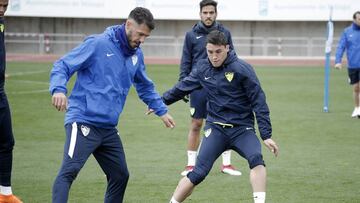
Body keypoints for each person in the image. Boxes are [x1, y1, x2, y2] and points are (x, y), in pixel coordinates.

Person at [49, 7, 175, 203]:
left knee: (120, 175)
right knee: (69, 171)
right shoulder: (98, 44)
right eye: (140, 34)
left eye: (146, 37)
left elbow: (144, 85)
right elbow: (63, 65)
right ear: (128, 25)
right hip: (83, 121)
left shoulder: (136, 55)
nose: (142, 40)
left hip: (107, 128)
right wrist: (58, 89)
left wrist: (161, 110)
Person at [163, 30, 279, 203]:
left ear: (227, 48)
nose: (214, 57)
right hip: (216, 129)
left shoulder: (242, 69)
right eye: (210, 52)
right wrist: (160, 102)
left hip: (242, 129)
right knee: (198, 173)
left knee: (256, 159)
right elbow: (182, 87)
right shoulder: (202, 68)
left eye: (218, 52)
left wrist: (266, 134)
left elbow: (259, 101)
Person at [178, 0, 241, 176]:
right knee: (197, 123)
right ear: (200, 14)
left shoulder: (224, 33)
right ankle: (191, 165)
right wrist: (183, 85)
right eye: (205, 13)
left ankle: (226, 165)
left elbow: (233, 56)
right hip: (198, 86)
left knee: (225, 122)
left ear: (216, 14)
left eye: (211, 12)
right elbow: (186, 61)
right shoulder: (191, 35)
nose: (208, 16)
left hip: (221, 85)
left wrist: (234, 81)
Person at [0, 0, 23, 202]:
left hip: (0, 92)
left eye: (5, 5)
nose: (2, 9)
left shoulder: (1, 21)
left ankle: (5, 195)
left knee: (7, 141)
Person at [335, 11, 360, 118]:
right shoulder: (347, 32)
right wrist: (338, 61)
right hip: (353, 65)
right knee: (356, 88)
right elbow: (341, 47)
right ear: (354, 19)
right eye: (359, 19)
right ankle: (357, 108)